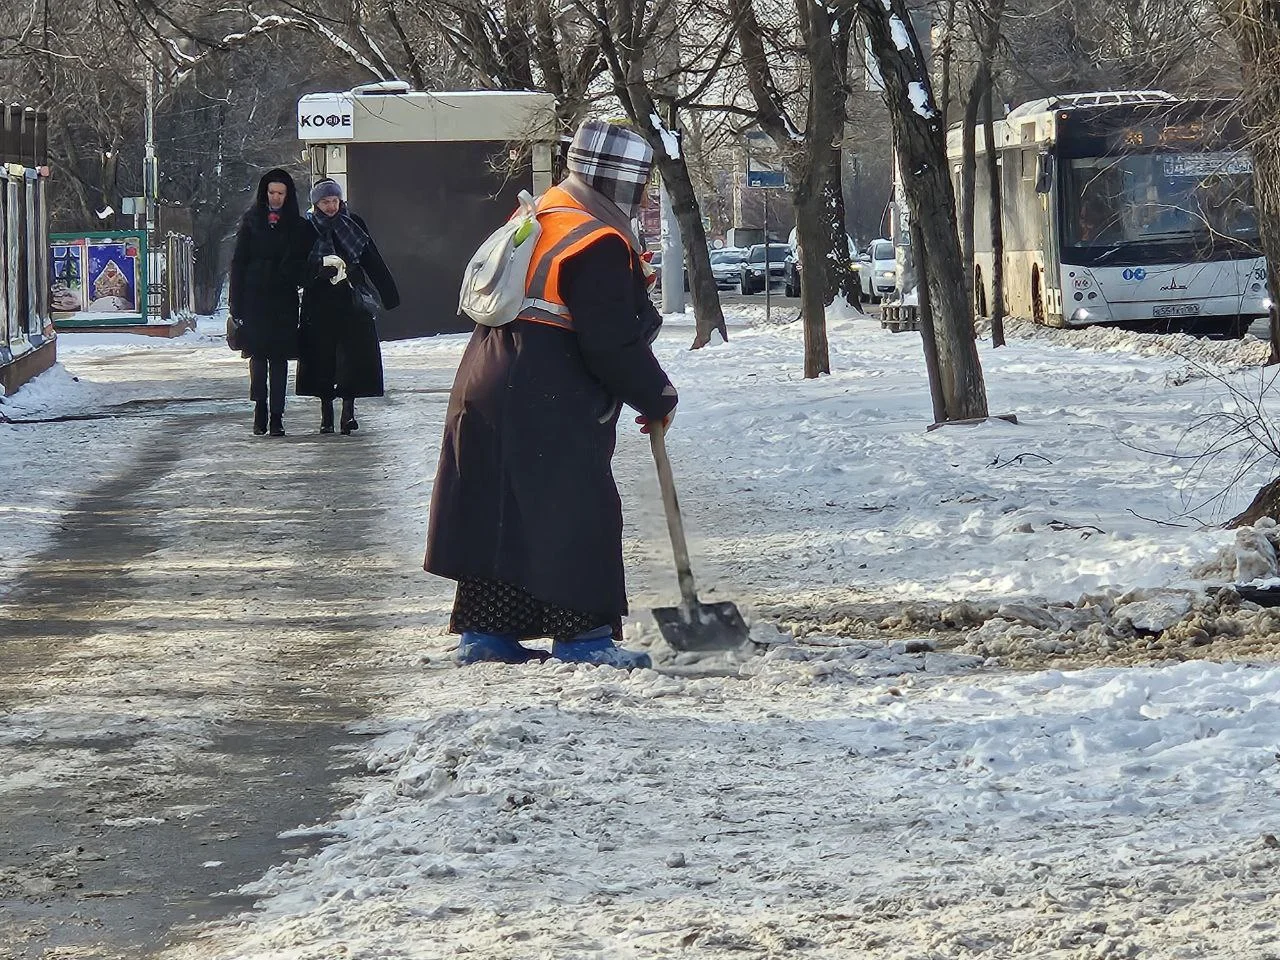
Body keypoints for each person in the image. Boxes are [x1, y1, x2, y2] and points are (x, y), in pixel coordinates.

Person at [425, 119, 678, 669]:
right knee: (575, 508)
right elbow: (610, 342)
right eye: (638, 187)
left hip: (487, 375)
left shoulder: (540, 212)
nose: (641, 199)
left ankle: (488, 634)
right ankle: (583, 637)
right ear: (615, 183)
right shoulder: (597, 239)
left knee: (500, 507)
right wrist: (657, 395)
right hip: (545, 391)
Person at [297, 179, 400, 434]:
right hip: (319, 300)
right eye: (325, 202)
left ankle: (348, 412)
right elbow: (297, 266)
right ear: (316, 204)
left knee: (353, 356)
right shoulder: (306, 228)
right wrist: (317, 271)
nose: (331, 206)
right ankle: (326, 414)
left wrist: (389, 294)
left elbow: (371, 258)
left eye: (334, 200)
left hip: (351, 296)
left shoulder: (353, 223)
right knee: (322, 357)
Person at [228, 169, 313, 436]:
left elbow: (304, 262)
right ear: (264, 193)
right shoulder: (251, 221)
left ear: (288, 195)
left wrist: (293, 272)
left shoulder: (297, 226)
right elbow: (238, 263)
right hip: (254, 297)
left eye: (280, 193)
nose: (275, 198)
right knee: (257, 355)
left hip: (283, 298)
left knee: (279, 358)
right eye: (272, 192)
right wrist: (235, 303)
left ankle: (277, 415)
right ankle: (260, 408)